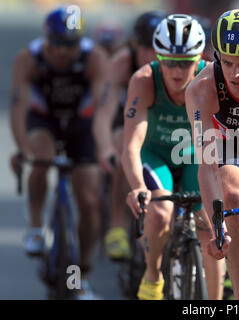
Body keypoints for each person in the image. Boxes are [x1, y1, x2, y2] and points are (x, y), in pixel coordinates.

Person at [121, 14, 223, 300]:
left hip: (195, 157)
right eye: (169, 62)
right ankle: (153, 277)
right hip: (156, 155)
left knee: (209, 224)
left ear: (200, 58)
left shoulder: (212, 79)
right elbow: (130, 144)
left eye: (185, 62)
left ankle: (213, 301)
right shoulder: (144, 80)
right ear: (158, 58)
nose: (177, 72)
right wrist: (138, 187)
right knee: (161, 210)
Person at [9, 7, 108, 299]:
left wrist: (103, 147)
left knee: (89, 201)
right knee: (41, 158)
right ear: (46, 38)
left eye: (72, 44)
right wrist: (23, 150)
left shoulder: (94, 59)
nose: (65, 52)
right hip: (45, 121)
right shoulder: (28, 59)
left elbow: (102, 108)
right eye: (58, 44)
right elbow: (19, 108)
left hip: (82, 123)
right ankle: (36, 224)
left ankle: (82, 275)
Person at [185, 9, 239, 299]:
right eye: (228, 63)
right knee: (235, 199)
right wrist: (216, 226)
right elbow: (207, 165)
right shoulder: (202, 87)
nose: (235, 74)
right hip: (230, 147)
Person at [93, 11, 165, 261]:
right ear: (135, 45)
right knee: (123, 143)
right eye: (145, 47)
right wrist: (105, 149)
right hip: (126, 118)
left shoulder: (178, 63)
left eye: (157, 48)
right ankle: (116, 224)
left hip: (162, 122)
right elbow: (104, 112)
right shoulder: (122, 62)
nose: (151, 56)